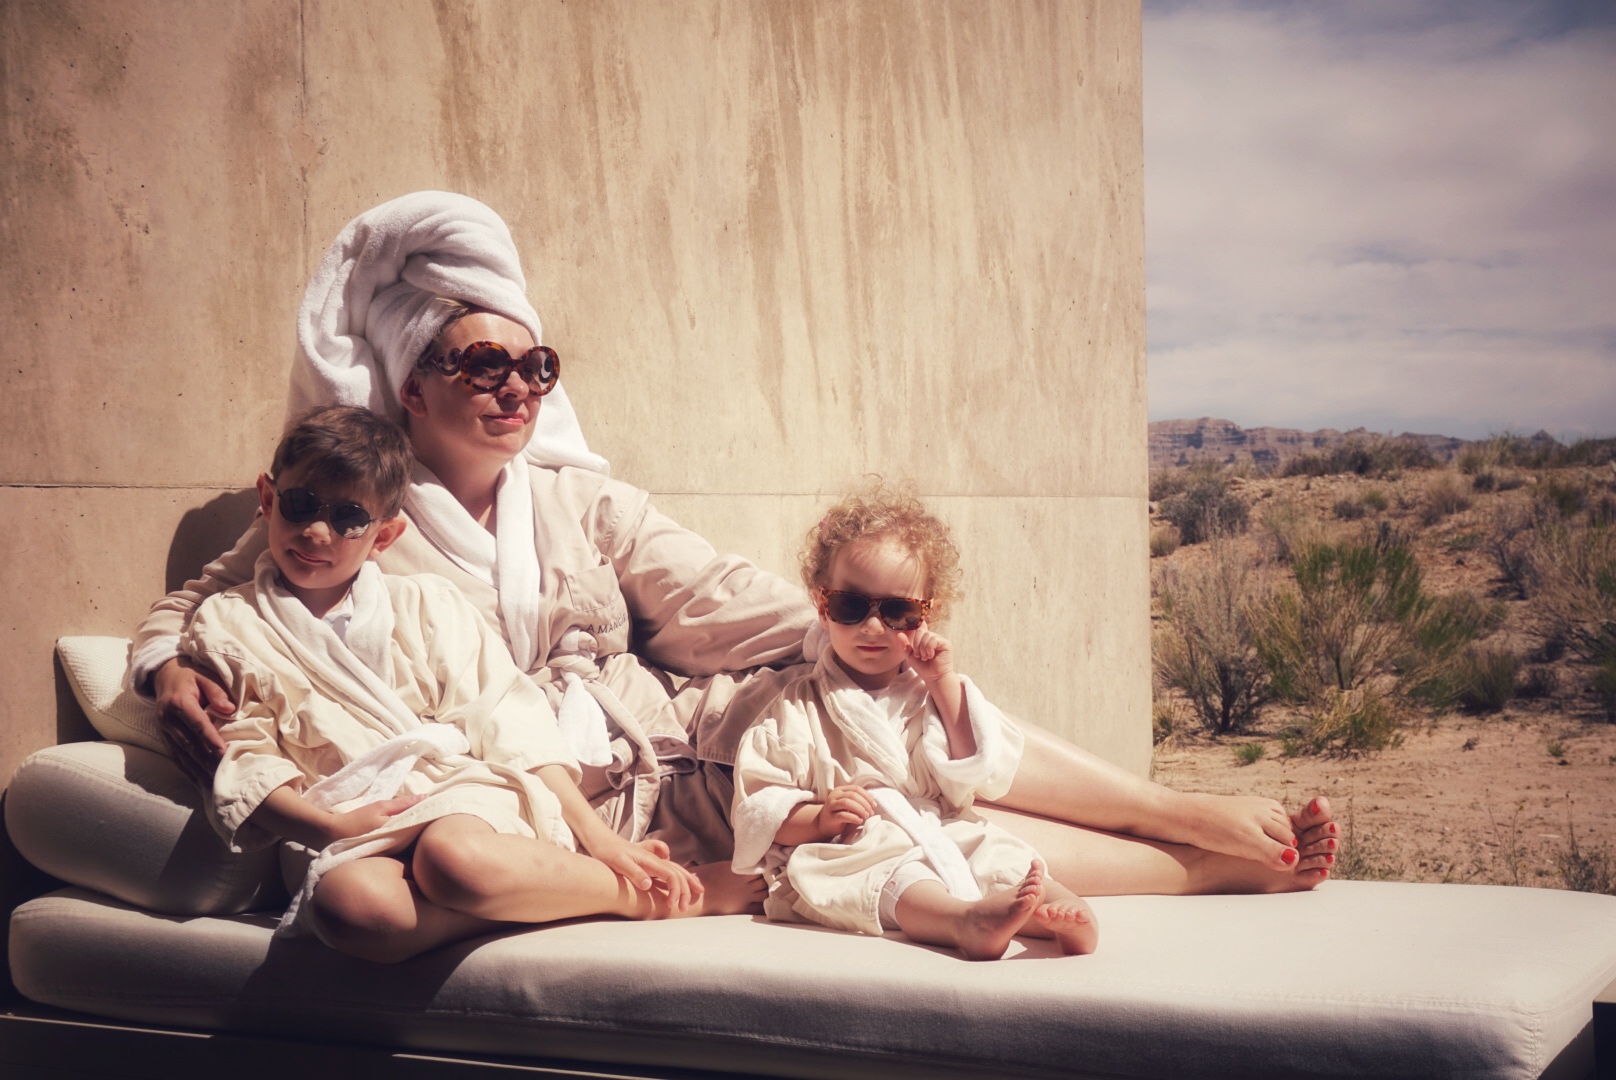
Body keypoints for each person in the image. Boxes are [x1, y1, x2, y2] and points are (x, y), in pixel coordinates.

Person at [138, 191, 1337, 906]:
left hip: (675, 734)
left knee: (876, 691)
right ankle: (1212, 862)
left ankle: (1167, 810)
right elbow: (198, 601)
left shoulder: (580, 505)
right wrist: (163, 672)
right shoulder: (348, 523)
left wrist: (862, 639)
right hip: (589, 801)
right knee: (896, 810)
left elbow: (725, 600)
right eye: (480, 364)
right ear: (406, 384)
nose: (516, 388)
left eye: (535, 366)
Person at [186, 405, 714, 963]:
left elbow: (509, 715)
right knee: (352, 910)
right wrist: (325, 825)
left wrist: (600, 839)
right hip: (344, 822)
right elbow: (241, 754)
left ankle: (640, 900)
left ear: (384, 535)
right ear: (268, 499)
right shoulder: (225, 624)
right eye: (300, 506)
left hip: (457, 796)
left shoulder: (425, 604)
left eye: (348, 518)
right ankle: (525, 902)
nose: (318, 531)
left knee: (452, 861)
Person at [732, 487, 1098, 960]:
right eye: (850, 607)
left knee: (1004, 857)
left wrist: (943, 681)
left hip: (940, 826)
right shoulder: (796, 708)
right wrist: (819, 818)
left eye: (898, 612)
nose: (874, 628)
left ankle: (1064, 914)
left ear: (928, 613)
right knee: (886, 877)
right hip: (856, 843)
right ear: (822, 607)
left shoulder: (932, 693)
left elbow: (970, 770)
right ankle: (963, 922)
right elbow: (762, 809)